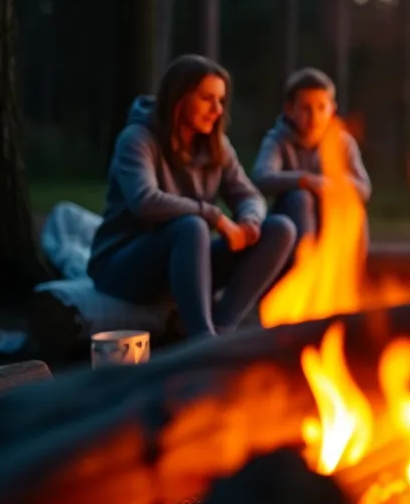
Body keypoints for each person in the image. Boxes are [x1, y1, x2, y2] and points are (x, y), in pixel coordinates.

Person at [88, 55, 297, 338]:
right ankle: (201, 337)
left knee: (280, 228)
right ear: (179, 98)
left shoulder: (216, 145)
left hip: (184, 265)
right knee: (192, 226)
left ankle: (219, 331)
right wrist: (214, 216)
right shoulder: (137, 139)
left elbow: (249, 195)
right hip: (122, 269)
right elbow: (145, 200)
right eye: (207, 98)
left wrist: (250, 220)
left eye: (221, 100)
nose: (217, 109)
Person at [251, 68, 372, 242]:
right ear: (289, 110)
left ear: (332, 109)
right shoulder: (277, 140)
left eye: (321, 108)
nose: (314, 117)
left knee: (352, 206)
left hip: (330, 217)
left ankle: (352, 266)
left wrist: (336, 183)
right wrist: (304, 181)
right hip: (291, 221)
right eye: (306, 109)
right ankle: (303, 261)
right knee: (302, 197)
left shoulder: (342, 142)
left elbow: (364, 188)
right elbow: (260, 178)